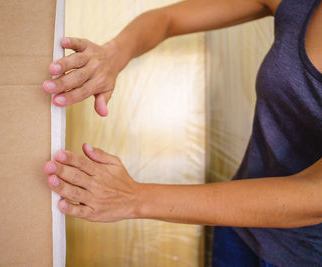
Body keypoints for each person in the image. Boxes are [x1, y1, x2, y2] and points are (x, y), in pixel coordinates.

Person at [42, 0, 322, 266]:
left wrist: (133, 198)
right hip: (239, 228)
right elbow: (168, 19)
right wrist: (115, 53)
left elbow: (314, 193)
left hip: (306, 254)